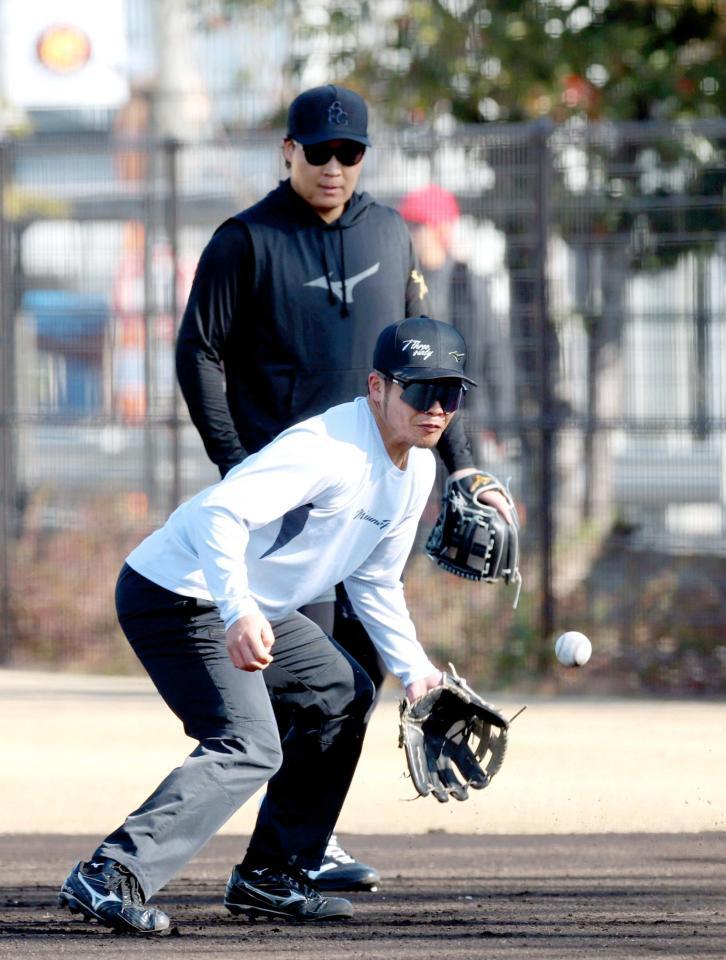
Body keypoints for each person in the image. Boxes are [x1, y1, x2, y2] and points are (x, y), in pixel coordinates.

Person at [175, 84, 505, 891]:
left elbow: (428, 361)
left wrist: (462, 463)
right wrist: (238, 466)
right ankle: (277, 853)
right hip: (293, 505)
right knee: (312, 687)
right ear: (287, 152)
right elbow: (199, 356)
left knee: (357, 680)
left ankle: (302, 844)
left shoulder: (391, 233)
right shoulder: (246, 240)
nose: (332, 166)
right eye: (316, 152)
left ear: (363, 158)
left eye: (348, 153)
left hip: (379, 493)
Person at [59, 316, 477, 934]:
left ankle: (271, 876)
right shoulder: (327, 448)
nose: (436, 407)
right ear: (377, 387)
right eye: (421, 390)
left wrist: (416, 674)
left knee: (342, 691)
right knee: (250, 742)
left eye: (452, 393)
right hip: (177, 593)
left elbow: (374, 581)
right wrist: (238, 610)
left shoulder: (415, 469)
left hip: (251, 604)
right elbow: (221, 514)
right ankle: (112, 873)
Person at [398, 184, 516, 456]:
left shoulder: (469, 283)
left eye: (418, 226)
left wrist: (502, 424)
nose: (412, 234)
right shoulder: (405, 281)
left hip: (465, 417)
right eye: (410, 226)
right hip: (415, 416)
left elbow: (495, 352)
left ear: (439, 229)